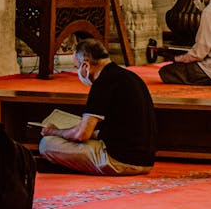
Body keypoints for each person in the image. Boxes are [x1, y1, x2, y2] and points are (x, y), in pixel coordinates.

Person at [39, 37, 156, 175]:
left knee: (47, 144)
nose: (78, 72)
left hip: (120, 161)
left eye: (77, 67)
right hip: (146, 161)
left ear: (86, 66)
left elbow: (81, 135)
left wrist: (54, 131)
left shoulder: (102, 83)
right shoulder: (130, 76)